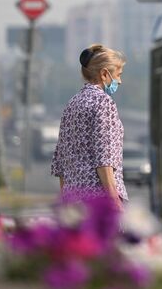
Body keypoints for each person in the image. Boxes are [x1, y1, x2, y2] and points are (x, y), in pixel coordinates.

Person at [51, 43, 128, 210]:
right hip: (99, 202)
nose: (120, 81)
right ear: (104, 74)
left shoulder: (72, 103)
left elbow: (61, 162)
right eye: (118, 75)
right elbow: (104, 160)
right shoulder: (103, 103)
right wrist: (115, 203)